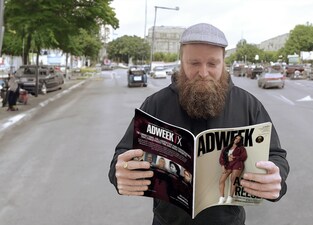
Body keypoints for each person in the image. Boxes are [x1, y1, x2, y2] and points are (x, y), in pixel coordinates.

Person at [109, 23, 289, 225]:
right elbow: (122, 155)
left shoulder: (248, 105)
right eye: (194, 63)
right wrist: (121, 171)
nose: (203, 73)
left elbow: (276, 156)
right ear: (181, 62)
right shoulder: (156, 104)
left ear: (224, 63)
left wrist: (276, 177)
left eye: (212, 64)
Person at [218, 134, 247, 204]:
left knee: (233, 180)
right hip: (228, 165)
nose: (237, 140)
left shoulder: (241, 148)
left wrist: (234, 157)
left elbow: (244, 157)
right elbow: (222, 158)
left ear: (240, 141)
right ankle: (222, 197)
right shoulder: (226, 148)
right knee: (221, 180)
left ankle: (230, 197)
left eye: (239, 139)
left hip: (237, 164)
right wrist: (223, 166)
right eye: (236, 138)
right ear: (233, 139)